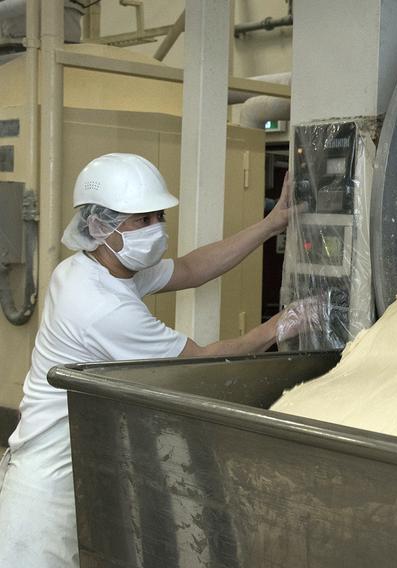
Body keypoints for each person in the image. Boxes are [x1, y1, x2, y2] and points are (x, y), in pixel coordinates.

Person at [0, 153, 306, 566]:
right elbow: (200, 360)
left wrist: (271, 224)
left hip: (76, 468)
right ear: (98, 226)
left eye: (158, 216)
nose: (157, 229)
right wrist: (279, 326)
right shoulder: (103, 307)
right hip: (45, 495)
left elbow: (191, 267)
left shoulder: (92, 267)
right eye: (141, 221)